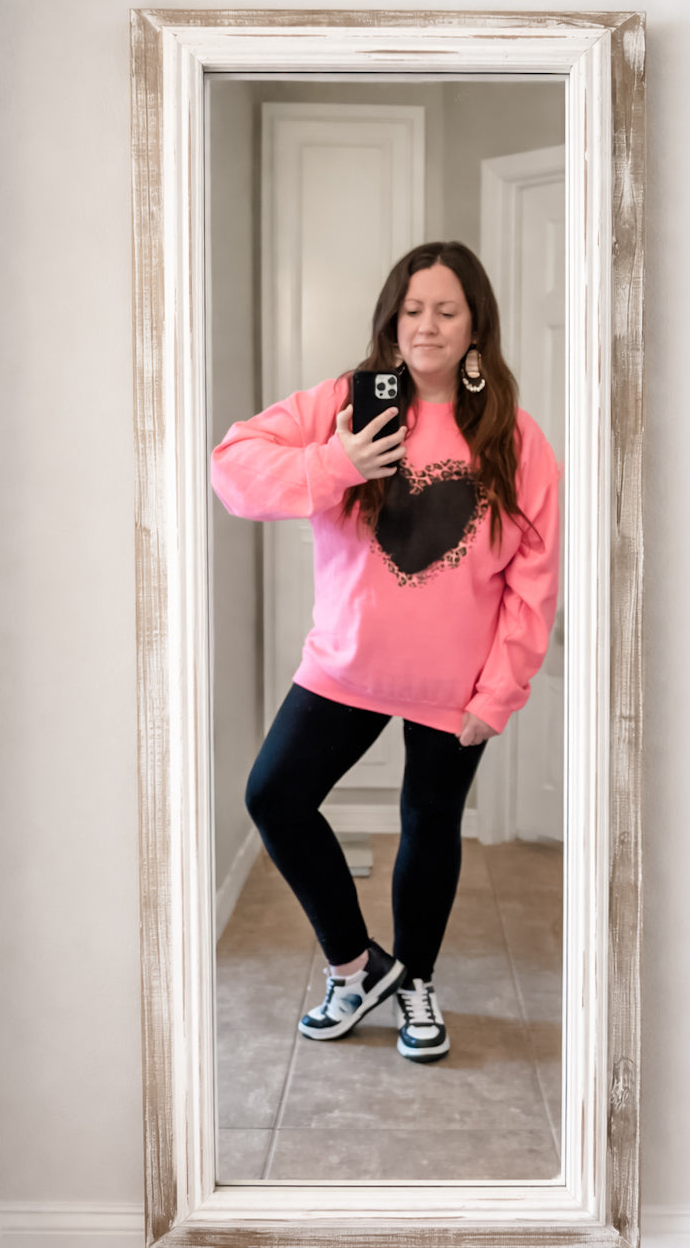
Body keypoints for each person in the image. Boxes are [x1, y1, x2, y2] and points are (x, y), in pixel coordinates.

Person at [210, 241, 560, 1064]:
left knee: (428, 825)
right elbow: (233, 471)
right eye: (412, 310)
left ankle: (418, 984)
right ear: (391, 318)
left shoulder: (513, 436)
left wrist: (498, 691)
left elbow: (534, 575)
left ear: (476, 325)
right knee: (274, 797)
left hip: (455, 682)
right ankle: (357, 964)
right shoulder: (346, 401)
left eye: (446, 310)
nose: (426, 326)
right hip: (345, 662)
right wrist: (338, 460)